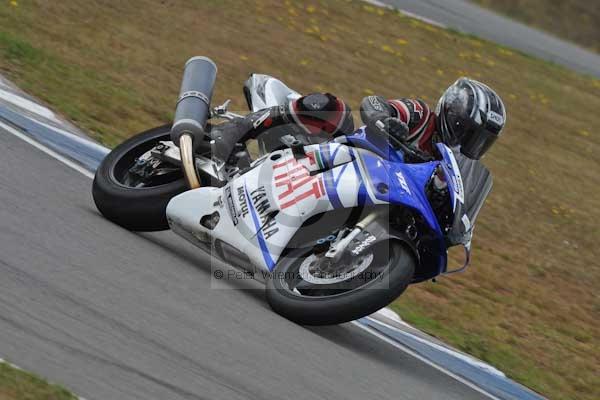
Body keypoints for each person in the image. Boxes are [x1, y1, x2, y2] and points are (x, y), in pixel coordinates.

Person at [210, 77, 506, 163]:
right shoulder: (420, 115)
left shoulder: (449, 165)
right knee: (334, 108)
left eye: (480, 140)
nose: (469, 142)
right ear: (453, 114)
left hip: (362, 190)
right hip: (338, 152)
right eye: (469, 132)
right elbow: (374, 103)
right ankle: (234, 129)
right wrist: (385, 121)